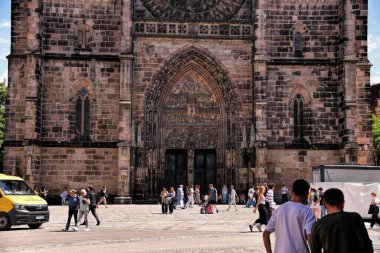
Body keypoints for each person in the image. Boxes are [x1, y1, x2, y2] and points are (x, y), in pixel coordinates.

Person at [311, 188, 373, 253]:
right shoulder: (354, 218)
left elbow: (315, 251)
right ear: (343, 202)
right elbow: (366, 245)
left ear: (324, 204)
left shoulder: (317, 225)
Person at [263, 179, 315, 253]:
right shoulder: (307, 212)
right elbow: (310, 236)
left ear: (291, 191)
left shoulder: (279, 210)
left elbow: (266, 234)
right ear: (307, 194)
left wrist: (269, 252)